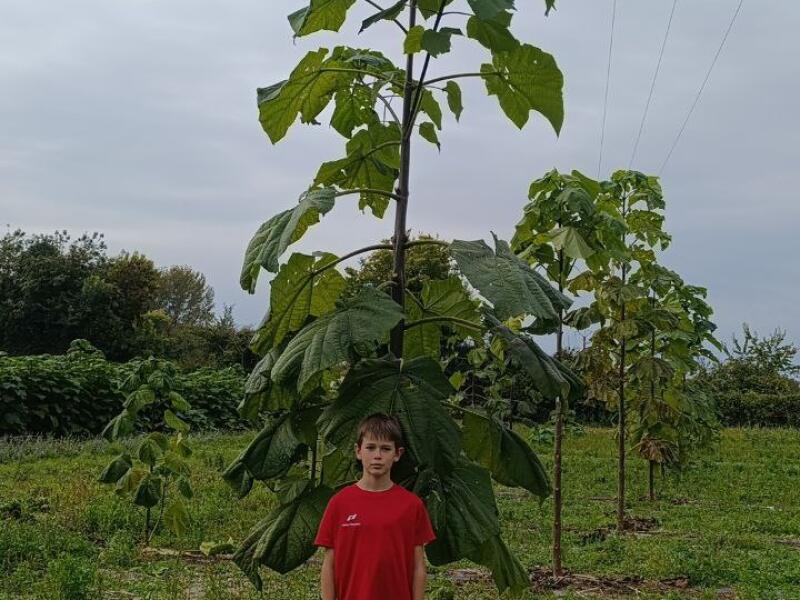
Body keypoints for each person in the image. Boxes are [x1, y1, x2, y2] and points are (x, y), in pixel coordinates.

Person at [314, 413, 436, 600]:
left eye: (385, 449)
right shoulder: (339, 503)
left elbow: (418, 566)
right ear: (358, 451)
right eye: (370, 447)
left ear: (397, 454)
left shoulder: (412, 505)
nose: (377, 456)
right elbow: (329, 564)